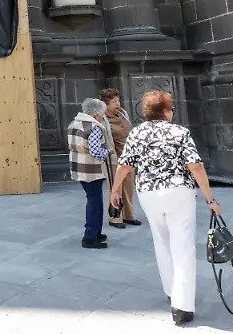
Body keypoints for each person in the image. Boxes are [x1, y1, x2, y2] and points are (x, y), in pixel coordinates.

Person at [110, 90, 220, 326]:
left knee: (161, 240)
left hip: (148, 193)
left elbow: (124, 164)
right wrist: (210, 199)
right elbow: (196, 166)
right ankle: (181, 307)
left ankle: (171, 289)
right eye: (172, 109)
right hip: (178, 192)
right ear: (166, 111)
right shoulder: (180, 132)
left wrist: (115, 190)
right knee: (183, 246)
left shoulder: (136, 133)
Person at [67, 98, 111, 249]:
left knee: (94, 199)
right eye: (102, 113)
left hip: (78, 165)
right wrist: (108, 152)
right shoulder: (94, 127)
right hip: (90, 169)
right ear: (96, 113)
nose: (103, 116)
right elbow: (95, 151)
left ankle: (96, 233)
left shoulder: (74, 123)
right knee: (95, 202)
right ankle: (90, 237)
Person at [98, 87, 140, 228]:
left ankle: (128, 215)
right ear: (106, 104)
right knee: (114, 188)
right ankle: (115, 218)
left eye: (118, 100)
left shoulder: (123, 113)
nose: (117, 103)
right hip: (113, 158)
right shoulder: (103, 119)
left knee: (128, 187)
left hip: (127, 156)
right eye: (113, 101)